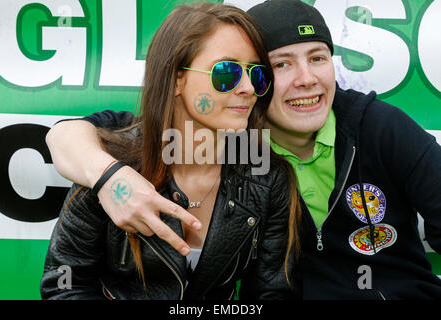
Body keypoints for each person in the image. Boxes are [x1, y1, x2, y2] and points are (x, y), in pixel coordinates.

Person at [45, 0, 441, 299]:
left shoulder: (366, 131)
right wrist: (110, 177)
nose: (306, 79)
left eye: (317, 58)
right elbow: (73, 137)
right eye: (280, 65)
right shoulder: (119, 155)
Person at [40, 2, 301, 300]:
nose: (248, 87)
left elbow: (273, 292)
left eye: (256, 74)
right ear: (177, 78)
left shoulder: (269, 179)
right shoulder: (106, 162)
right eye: (226, 71)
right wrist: (108, 178)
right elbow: (65, 288)